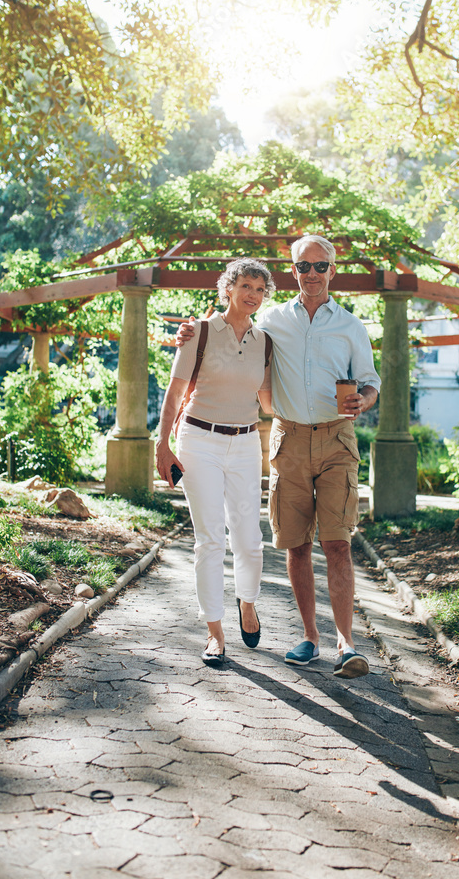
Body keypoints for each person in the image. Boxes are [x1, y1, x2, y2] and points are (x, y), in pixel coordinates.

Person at [179, 235, 380, 678]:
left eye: (320, 266)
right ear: (293, 271)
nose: (312, 274)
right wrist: (190, 332)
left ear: (333, 270)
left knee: (338, 543)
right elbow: (231, 328)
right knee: (295, 544)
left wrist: (363, 400)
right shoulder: (269, 320)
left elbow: (369, 381)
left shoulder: (351, 326)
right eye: (303, 267)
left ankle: (347, 645)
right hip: (287, 439)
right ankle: (310, 637)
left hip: (336, 439)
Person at [155, 258, 275, 668]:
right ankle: (215, 633)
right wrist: (162, 443)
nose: (252, 295)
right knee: (210, 539)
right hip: (198, 441)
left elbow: (270, 401)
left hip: (245, 444)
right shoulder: (199, 332)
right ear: (228, 288)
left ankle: (247, 604)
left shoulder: (265, 342)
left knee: (249, 541)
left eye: (260, 289)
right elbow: (174, 393)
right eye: (245, 286)